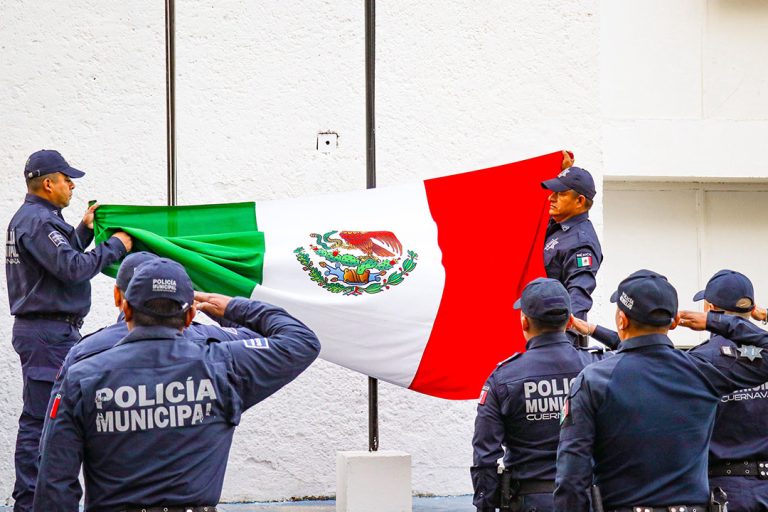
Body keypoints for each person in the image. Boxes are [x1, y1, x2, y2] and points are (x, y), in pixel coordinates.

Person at [34, 258, 320, 512]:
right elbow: (301, 340)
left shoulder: (83, 374)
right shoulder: (224, 363)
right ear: (190, 316)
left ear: (125, 308)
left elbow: (55, 479)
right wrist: (232, 307)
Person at [554, 269, 768, 512]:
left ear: (622, 320)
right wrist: (715, 321)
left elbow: (572, 477)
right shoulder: (702, 371)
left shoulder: (594, 380)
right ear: (674, 322)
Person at [39, 252, 264, 460]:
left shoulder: (83, 353)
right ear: (189, 311)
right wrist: (222, 308)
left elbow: (55, 452)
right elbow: (268, 334)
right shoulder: (212, 342)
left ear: (119, 297)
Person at [5, 149, 132, 512]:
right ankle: (31, 503)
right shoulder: (39, 222)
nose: (72, 185)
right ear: (49, 183)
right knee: (42, 420)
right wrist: (115, 246)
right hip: (48, 335)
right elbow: (73, 269)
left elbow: (58, 261)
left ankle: (34, 501)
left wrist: (84, 230)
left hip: (47, 333)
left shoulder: (36, 219)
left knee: (47, 418)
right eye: (67, 179)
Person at [471, 278, 615, 512]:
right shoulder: (599, 366)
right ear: (570, 321)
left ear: (524, 321)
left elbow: (484, 456)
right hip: (586, 500)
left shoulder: (502, 378)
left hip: (528, 501)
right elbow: (640, 353)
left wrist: (484, 506)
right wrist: (593, 330)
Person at [686, 270, 768, 512]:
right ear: (752, 309)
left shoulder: (699, 359)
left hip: (723, 491)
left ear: (709, 308)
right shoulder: (763, 356)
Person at [540, 165, 602, 345]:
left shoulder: (581, 243)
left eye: (560, 193)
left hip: (557, 339)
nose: (551, 197)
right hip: (541, 330)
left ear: (580, 201)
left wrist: (559, 346)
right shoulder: (559, 222)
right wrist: (563, 168)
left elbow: (578, 296)